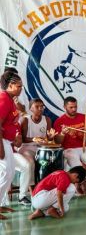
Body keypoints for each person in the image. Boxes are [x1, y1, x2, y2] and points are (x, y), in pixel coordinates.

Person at [54, 96, 86, 194]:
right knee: (78, 167)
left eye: (75, 107)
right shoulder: (59, 121)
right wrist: (63, 133)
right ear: (65, 107)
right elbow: (57, 142)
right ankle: (79, 181)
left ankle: (83, 179)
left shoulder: (83, 117)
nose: (74, 109)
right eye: (71, 107)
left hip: (83, 147)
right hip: (68, 149)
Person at [16, 98, 55, 205]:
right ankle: (27, 193)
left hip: (41, 148)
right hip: (26, 148)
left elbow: (49, 139)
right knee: (30, 164)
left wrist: (51, 137)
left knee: (51, 161)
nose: (40, 109)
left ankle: (47, 190)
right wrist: (33, 139)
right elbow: (22, 139)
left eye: (42, 106)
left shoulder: (47, 119)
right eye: (37, 107)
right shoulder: (25, 120)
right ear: (30, 109)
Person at [0, 71, 22, 220]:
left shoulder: (10, 99)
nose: (21, 89)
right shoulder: (4, 99)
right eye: (18, 86)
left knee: (9, 173)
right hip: (1, 142)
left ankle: (0, 203)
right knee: (5, 173)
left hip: (7, 141)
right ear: (10, 85)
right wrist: (0, 147)